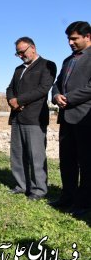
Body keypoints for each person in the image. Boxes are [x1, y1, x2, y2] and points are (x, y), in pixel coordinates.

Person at [6, 37, 57, 200]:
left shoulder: (47, 65)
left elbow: (43, 89)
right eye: (18, 53)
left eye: (23, 52)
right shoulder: (18, 69)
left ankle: (38, 189)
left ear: (32, 48)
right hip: (17, 117)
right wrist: (11, 100)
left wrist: (19, 101)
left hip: (34, 118)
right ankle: (21, 185)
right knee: (17, 154)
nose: (21, 55)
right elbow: (9, 88)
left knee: (36, 155)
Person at [51, 21, 91, 217]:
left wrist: (69, 98)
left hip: (85, 118)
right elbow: (57, 84)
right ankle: (67, 196)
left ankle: (83, 203)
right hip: (66, 118)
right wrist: (56, 95)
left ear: (87, 37)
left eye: (74, 38)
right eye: (69, 38)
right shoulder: (68, 60)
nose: (70, 42)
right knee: (67, 160)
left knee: (86, 162)